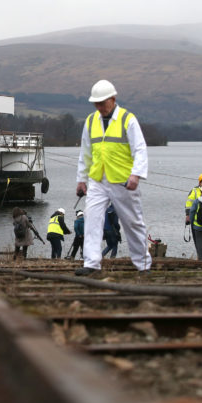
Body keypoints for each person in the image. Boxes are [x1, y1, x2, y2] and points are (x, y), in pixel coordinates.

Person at [75, 79, 151, 275]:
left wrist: (136, 174)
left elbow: (140, 149)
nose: (99, 107)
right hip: (98, 180)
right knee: (92, 220)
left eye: (102, 103)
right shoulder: (91, 121)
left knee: (132, 222)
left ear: (113, 99)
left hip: (123, 181)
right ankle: (91, 264)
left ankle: (143, 264)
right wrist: (81, 179)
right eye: (96, 104)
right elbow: (86, 152)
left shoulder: (128, 119)